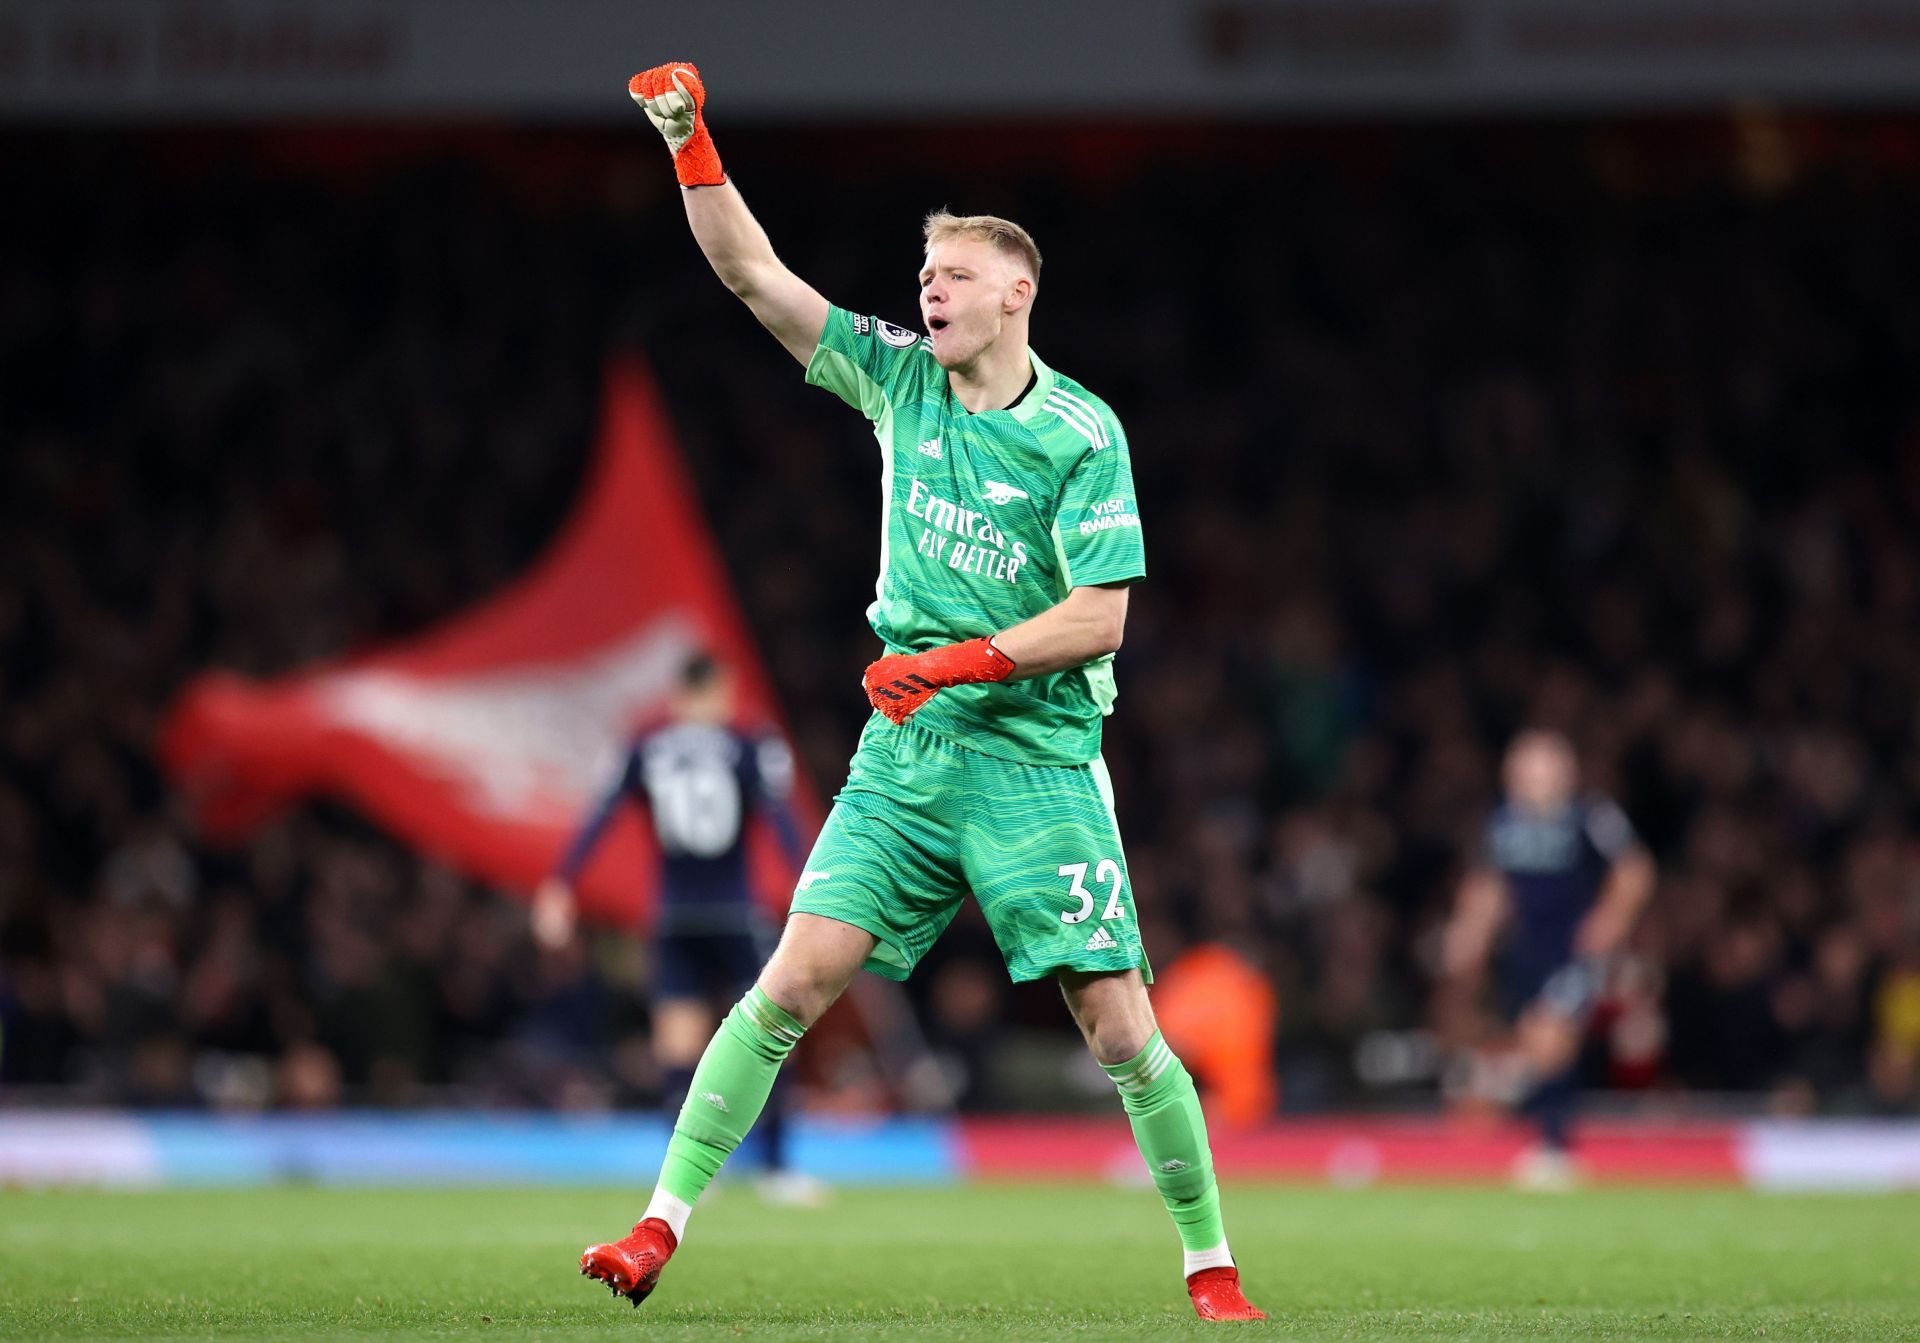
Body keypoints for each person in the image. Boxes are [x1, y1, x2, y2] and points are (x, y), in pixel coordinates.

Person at [575, 61, 1264, 1322]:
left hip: (1038, 759)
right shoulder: (897, 379)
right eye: (921, 278)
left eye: (949, 276)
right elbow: (753, 277)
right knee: (790, 980)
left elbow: (1102, 617)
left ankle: (1208, 1262)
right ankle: (656, 1226)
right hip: (907, 754)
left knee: (1119, 1029)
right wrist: (691, 142)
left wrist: (957, 658)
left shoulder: (1082, 433)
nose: (926, 291)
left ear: (1017, 292)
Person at [532, 652, 818, 1202]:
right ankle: (778, 1169)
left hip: (675, 915)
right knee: (775, 1032)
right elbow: (783, 825)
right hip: (735, 911)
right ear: (715, 691)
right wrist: (814, 888)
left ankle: (684, 1180)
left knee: (677, 1043)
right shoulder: (750, 743)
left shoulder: (646, 745)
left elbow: (600, 814)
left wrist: (560, 883)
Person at [1441, 729, 1656, 1189]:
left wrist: (1610, 919)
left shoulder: (1591, 816)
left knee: (1549, 1033)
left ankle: (1556, 1147)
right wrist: (1470, 931)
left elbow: (1635, 869)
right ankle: (1546, 1138)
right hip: (1524, 952)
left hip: (1573, 952)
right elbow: (1487, 884)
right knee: (1534, 1042)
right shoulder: (1500, 823)